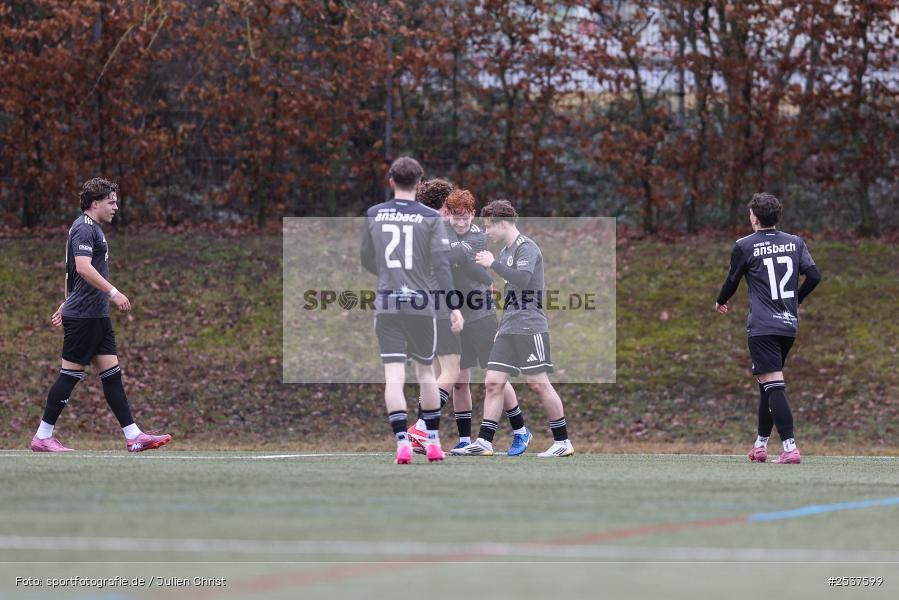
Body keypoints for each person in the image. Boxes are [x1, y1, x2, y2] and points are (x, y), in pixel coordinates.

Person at [33, 178, 172, 453]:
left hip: (94, 315)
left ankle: (133, 436)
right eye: (111, 202)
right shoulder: (84, 228)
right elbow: (82, 268)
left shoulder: (90, 228)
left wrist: (66, 302)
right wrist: (114, 293)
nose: (116, 207)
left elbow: (70, 274)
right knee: (69, 376)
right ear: (95, 203)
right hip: (85, 317)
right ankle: (42, 436)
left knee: (111, 376)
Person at [406, 183, 531, 454]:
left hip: (478, 313)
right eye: (454, 214)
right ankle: (463, 439)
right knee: (457, 378)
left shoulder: (476, 235)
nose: (460, 220)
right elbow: (451, 261)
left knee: (494, 375)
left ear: (472, 214)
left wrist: (464, 264)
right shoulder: (440, 231)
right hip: (451, 311)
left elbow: (459, 257)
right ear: (447, 213)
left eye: (465, 215)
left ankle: (521, 430)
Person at [360, 158, 462, 464]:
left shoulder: (374, 213)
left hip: (389, 303)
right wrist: (453, 305)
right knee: (425, 373)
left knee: (394, 377)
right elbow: (442, 267)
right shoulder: (430, 217)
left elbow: (367, 258)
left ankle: (402, 442)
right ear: (419, 185)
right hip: (420, 305)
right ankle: (432, 441)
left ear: (391, 181)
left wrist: (389, 275)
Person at [453, 200, 573, 457]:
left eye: (488, 227)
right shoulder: (507, 252)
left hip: (530, 326)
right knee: (493, 382)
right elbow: (511, 292)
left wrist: (492, 264)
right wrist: (502, 324)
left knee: (538, 383)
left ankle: (562, 441)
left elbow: (523, 279)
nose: (486, 232)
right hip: (508, 327)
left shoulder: (526, 247)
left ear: (503, 223)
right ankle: (484, 442)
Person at [716, 192, 821, 464]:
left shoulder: (744, 245)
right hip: (788, 326)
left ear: (755, 218)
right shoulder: (795, 243)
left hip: (763, 327)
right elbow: (814, 275)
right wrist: (796, 300)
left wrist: (721, 300)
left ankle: (789, 448)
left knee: (773, 385)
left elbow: (732, 279)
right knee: (768, 384)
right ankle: (760, 444)